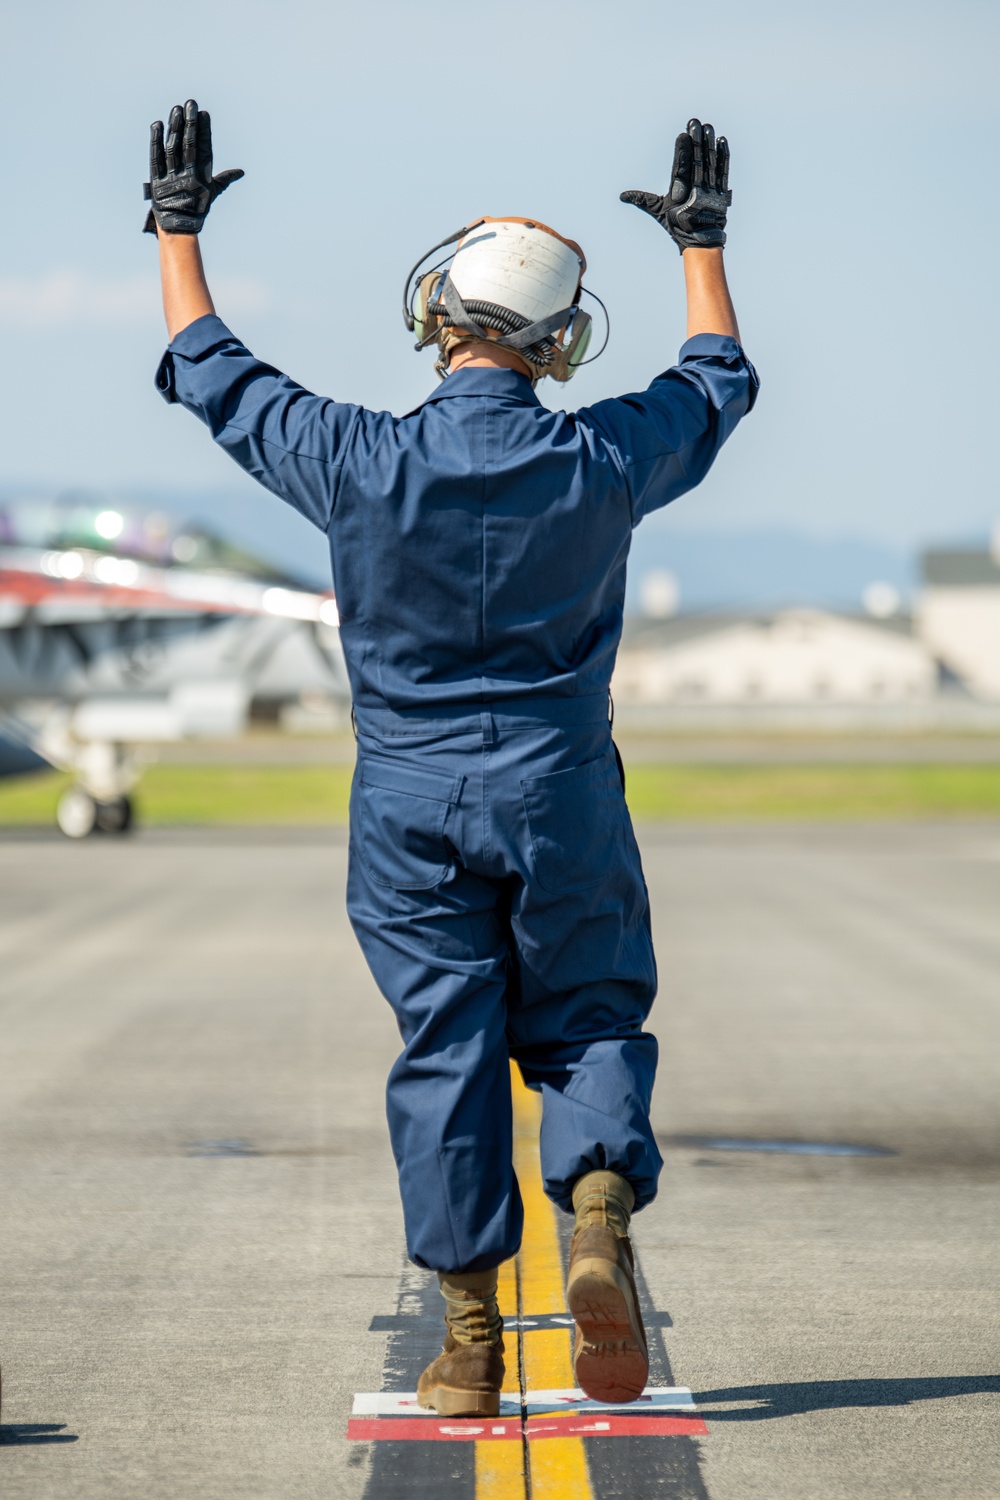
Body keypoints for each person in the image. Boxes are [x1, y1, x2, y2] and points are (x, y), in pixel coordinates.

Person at [145, 99, 758, 1417]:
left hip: (408, 797)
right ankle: (595, 1217)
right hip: (562, 788)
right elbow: (715, 383)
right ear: (557, 341)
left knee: (447, 1046)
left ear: (441, 316)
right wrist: (703, 243)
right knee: (589, 1015)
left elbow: (210, 367)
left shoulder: (355, 460)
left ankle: (471, 1339)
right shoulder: (600, 456)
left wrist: (177, 226)